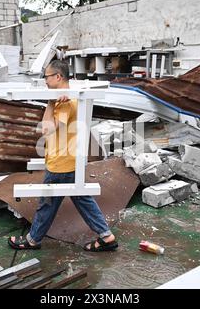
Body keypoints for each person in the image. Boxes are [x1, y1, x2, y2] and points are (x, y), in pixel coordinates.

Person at [8, 60, 118, 252]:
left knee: (47, 203)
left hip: (61, 163)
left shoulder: (65, 102)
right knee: (82, 199)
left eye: (47, 77)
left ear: (58, 77)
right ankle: (106, 237)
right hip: (69, 160)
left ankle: (33, 240)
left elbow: (46, 129)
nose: (45, 82)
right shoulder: (68, 98)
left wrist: (50, 102)